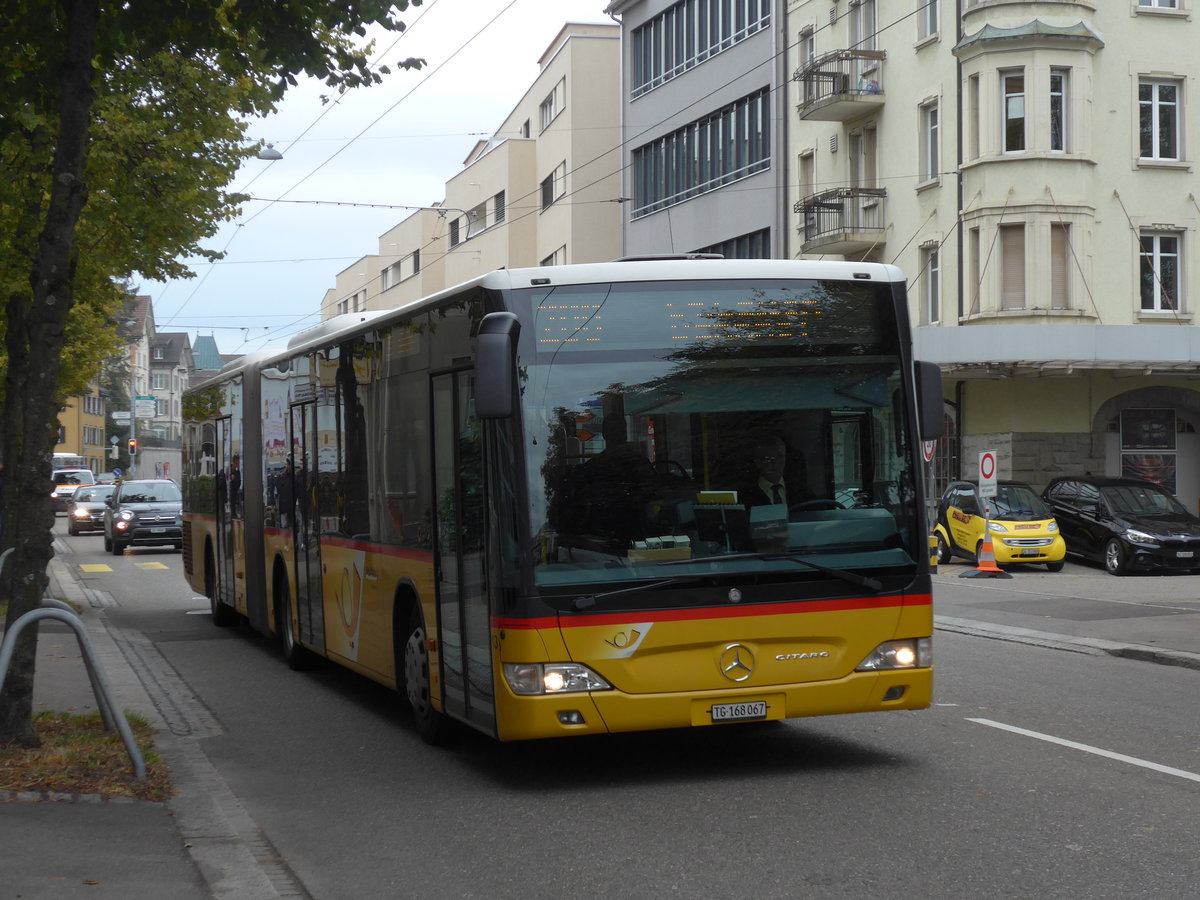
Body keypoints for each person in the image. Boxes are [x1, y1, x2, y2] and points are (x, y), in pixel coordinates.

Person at [742, 433, 816, 511]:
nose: (776, 463)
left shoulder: (801, 491)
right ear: (758, 462)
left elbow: (819, 516)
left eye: (780, 457)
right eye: (769, 459)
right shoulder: (746, 497)